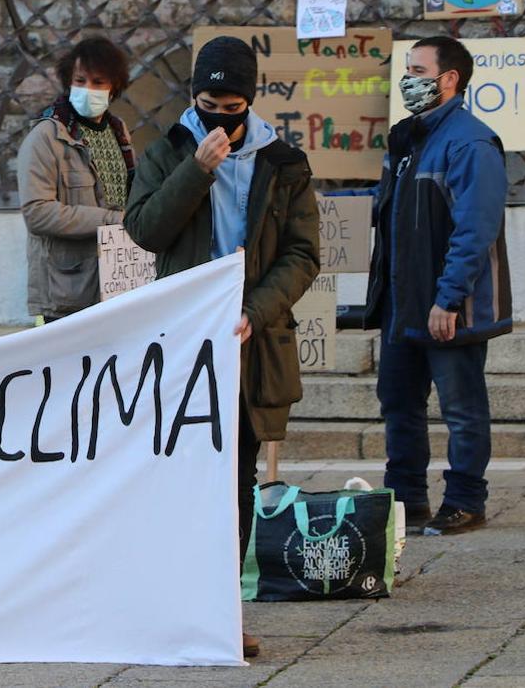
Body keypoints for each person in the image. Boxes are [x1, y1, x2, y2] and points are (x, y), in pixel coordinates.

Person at [124, 36, 320, 657]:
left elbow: (302, 254)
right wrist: (197, 169)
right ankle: (165, 606)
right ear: (192, 97)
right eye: (209, 103)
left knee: (235, 479)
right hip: (181, 343)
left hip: (248, 341)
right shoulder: (169, 150)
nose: (220, 118)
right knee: (176, 478)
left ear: (250, 102)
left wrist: (254, 312)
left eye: (232, 107)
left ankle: (221, 614)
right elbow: (145, 229)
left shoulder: (282, 162)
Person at [363, 36, 512, 536]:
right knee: (398, 402)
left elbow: (476, 229)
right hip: (402, 306)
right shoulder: (407, 140)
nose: (408, 79)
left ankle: (466, 499)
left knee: (461, 408)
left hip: (448, 306)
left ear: (448, 79)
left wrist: (448, 298)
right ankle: (406, 499)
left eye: (417, 69)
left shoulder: (470, 142)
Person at [17, 37, 135, 322]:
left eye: (98, 82)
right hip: (67, 293)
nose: (87, 90)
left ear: (114, 87)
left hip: (118, 284)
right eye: (80, 81)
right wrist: (112, 220)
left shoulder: (118, 132)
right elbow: (37, 212)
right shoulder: (47, 136)